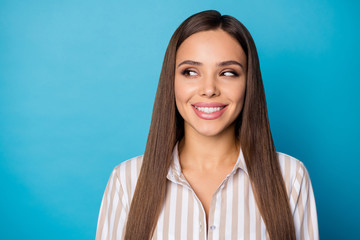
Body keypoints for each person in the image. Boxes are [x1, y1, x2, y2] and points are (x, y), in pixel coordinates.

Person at [96, 10, 319, 240]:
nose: (209, 89)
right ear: (171, 82)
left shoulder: (291, 177)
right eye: (191, 72)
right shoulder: (126, 181)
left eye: (228, 72)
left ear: (248, 83)